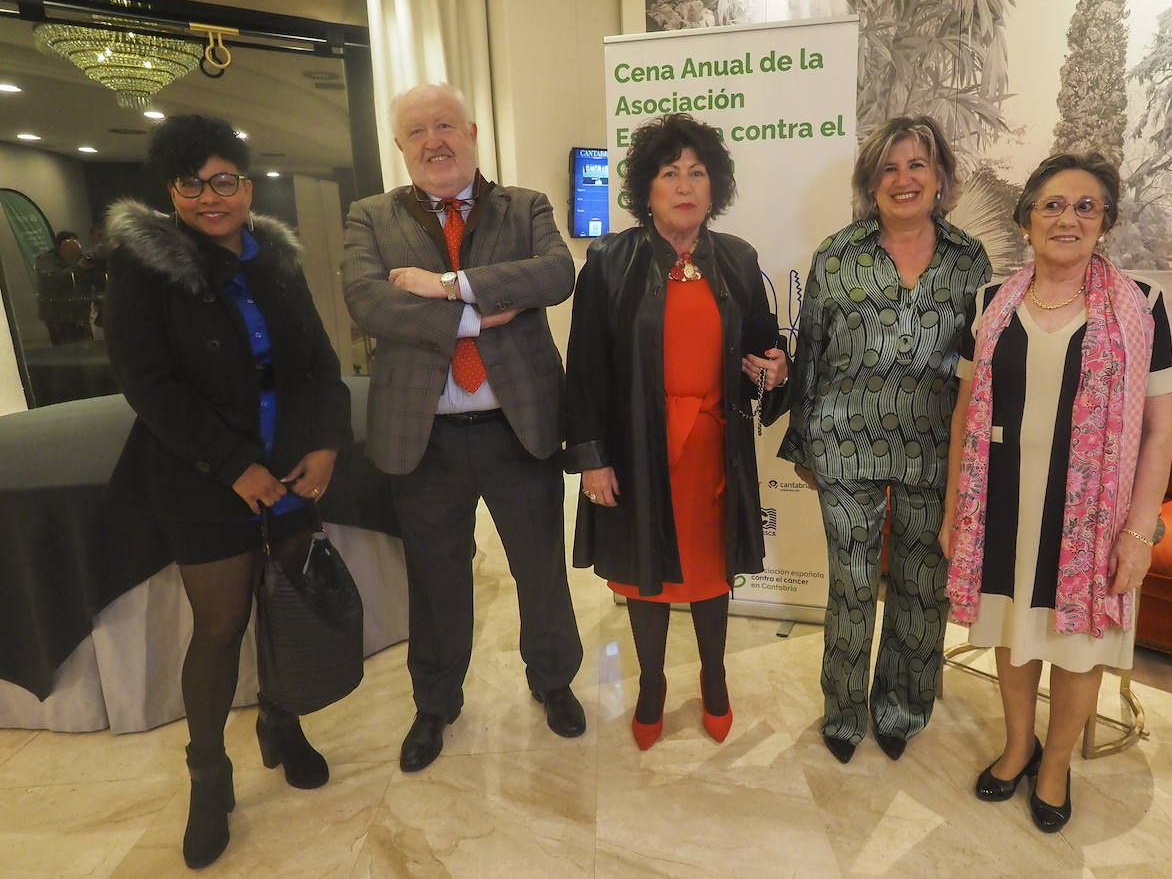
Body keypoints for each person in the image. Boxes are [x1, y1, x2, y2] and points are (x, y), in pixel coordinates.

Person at [103, 114, 353, 868]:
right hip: (202, 475)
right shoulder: (144, 266)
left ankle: (282, 721)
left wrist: (323, 442)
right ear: (171, 190)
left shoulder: (274, 258)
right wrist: (231, 464)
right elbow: (147, 384)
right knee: (218, 627)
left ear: (247, 184)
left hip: (289, 466)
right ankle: (209, 776)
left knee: (286, 604)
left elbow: (314, 360)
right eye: (192, 184)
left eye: (224, 181)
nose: (210, 198)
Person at [341, 83, 585, 774]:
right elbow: (367, 301)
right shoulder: (369, 216)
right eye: (417, 132)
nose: (433, 141)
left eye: (445, 125)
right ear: (400, 146)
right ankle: (436, 702)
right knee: (436, 578)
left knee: (539, 568)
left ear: (472, 131)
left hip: (517, 426)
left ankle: (553, 679)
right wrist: (480, 314)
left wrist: (446, 287)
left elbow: (555, 274)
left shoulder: (526, 205)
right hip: (426, 437)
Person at [940, 152, 1172, 833]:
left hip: (1094, 520)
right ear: (1026, 221)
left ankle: (1056, 765)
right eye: (1050, 204)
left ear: (1105, 223)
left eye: (1085, 206)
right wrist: (959, 508)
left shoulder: (1142, 306)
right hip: (1005, 503)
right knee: (1015, 634)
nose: (1066, 218)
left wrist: (1138, 532)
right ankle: (1019, 747)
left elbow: (1160, 433)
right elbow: (964, 416)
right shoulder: (990, 304)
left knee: (1080, 648)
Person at [564, 112, 789, 750]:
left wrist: (772, 370)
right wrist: (592, 460)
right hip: (640, 447)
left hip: (714, 449)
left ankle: (715, 680)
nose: (685, 185)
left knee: (712, 569)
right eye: (670, 173)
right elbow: (583, 370)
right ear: (647, 189)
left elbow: (761, 351)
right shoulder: (610, 260)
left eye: (697, 173)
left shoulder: (738, 260)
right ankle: (654, 685)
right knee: (646, 572)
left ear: (714, 187)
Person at [779, 115, 991, 764]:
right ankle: (844, 714)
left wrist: (975, 461)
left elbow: (979, 367)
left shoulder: (968, 260)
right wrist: (802, 445)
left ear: (941, 178)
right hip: (844, 443)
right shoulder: (837, 255)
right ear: (872, 181)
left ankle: (902, 708)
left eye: (918, 165)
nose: (904, 179)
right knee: (850, 581)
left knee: (923, 585)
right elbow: (808, 352)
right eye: (890, 167)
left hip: (935, 448)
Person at [33, 230, 94, 344]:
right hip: (58, 316)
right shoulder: (46, 260)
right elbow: (51, 281)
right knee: (66, 351)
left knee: (87, 348)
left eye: (78, 245)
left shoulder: (80, 258)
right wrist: (78, 268)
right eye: (73, 246)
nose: (77, 249)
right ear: (63, 246)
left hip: (81, 314)